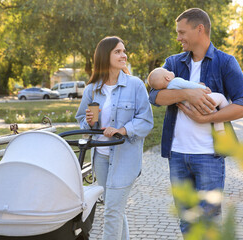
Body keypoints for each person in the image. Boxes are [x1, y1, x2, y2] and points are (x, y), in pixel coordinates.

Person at [149, 8, 243, 235]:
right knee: (186, 223)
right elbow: (155, 97)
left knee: (209, 224)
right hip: (177, 155)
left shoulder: (225, 62)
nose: (178, 38)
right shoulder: (173, 63)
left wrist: (207, 117)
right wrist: (187, 94)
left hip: (209, 156)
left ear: (200, 29)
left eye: (181, 32)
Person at [75, 36, 153, 240]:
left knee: (111, 211)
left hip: (125, 157)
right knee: (115, 209)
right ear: (105, 56)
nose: (123, 55)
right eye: (117, 51)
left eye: (124, 51)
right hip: (100, 157)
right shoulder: (92, 89)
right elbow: (83, 121)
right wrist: (91, 121)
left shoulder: (135, 85)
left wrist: (122, 129)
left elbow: (146, 121)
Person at [148, 67, 229, 132]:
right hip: (203, 102)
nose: (169, 70)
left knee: (214, 112)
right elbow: (188, 84)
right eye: (167, 70)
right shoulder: (176, 81)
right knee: (220, 97)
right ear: (167, 78)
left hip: (193, 108)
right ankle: (226, 111)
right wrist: (203, 87)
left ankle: (220, 130)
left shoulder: (169, 89)